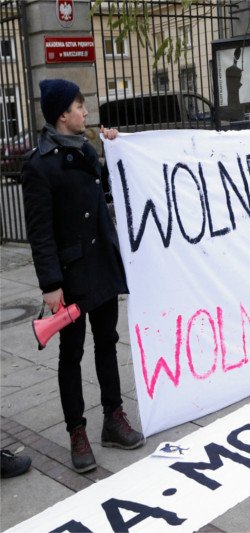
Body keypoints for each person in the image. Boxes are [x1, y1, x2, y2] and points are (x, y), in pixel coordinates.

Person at [22, 79, 145, 474]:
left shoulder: (88, 149)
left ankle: (113, 419)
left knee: (107, 342)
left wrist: (116, 150)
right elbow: (40, 232)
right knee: (71, 354)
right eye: (80, 106)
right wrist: (50, 285)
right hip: (71, 274)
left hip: (101, 264)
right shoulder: (39, 165)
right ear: (63, 114)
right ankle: (77, 432)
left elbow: (107, 190)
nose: (86, 112)